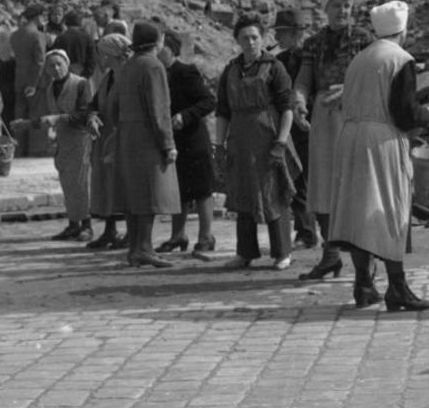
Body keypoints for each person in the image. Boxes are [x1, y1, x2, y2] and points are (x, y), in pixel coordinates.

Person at [328, 1, 429, 311]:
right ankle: (397, 287)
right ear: (402, 31)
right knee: (389, 209)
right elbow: (404, 113)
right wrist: (428, 116)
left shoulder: (360, 58)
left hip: (351, 138)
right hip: (381, 140)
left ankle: (363, 284)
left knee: (359, 211)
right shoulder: (400, 59)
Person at [294, 0, 375, 281]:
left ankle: (364, 262)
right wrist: (300, 101)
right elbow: (303, 80)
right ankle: (330, 255)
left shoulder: (364, 41)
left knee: (354, 189)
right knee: (324, 189)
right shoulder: (314, 44)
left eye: (347, 6)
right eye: (337, 5)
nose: (342, 11)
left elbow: (373, 79)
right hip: (324, 121)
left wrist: (349, 90)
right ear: (325, 8)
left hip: (354, 117)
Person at [215, 15, 297, 270]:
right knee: (243, 193)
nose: (250, 42)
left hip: (268, 136)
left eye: (254, 37)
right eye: (244, 38)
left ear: (263, 39)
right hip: (240, 138)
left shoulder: (275, 68)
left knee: (274, 192)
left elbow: (287, 108)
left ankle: (282, 252)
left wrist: (281, 142)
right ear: (237, 41)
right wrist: (220, 144)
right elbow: (222, 111)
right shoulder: (230, 71)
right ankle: (245, 252)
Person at [111, 21, 179, 269]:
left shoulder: (128, 66)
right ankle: (145, 248)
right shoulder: (153, 66)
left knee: (133, 193)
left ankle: (134, 248)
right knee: (150, 193)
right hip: (147, 135)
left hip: (127, 134)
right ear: (157, 41)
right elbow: (159, 108)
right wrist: (167, 143)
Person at [11, 50, 93, 242]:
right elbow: (47, 117)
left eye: (59, 64)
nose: (56, 68)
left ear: (67, 63)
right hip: (63, 140)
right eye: (51, 66)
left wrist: (58, 118)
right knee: (67, 182)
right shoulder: (50, 88)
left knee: (81, 183)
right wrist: (27, 124)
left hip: (80, 139)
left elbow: (84, 115)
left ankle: (87, 226)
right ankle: (73, 224)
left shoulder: (80, 84)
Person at [156, 32, 218, 258]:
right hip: (173, 141)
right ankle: (178, 235)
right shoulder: (158, 73)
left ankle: (206, 236)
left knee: (202, 190)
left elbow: (209, 101)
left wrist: (185, 115)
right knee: (177, 191)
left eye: (160, 47)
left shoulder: (186, 71)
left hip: (193, 139)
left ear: (170, 50)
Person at [272, 10, 318, 250]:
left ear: (294, 33)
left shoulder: (309, 57)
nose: (277, 37)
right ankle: (306, 229)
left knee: (305, 179)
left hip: (310, 123)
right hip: (290, 127)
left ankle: (309, 231)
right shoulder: (280, 59)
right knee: (298, 178)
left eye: (281, 33)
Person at [84, 34, 130, 250]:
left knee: (124, 185)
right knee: (106, 186)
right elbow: (94, 104)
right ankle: (110, 230)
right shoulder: (108, 77)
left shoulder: (129, 75)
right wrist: (92, 117)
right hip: (105, 137)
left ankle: (132, 233)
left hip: (124, 136)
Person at [10, 4, 47, 157]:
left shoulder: (15, 34)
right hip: (35, 80)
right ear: (37, 17)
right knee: (36, 113)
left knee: (19, 113)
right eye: (43, 16)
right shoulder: (38, 35)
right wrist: (33, 83)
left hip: (19, 77)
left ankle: (19, 149)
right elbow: (39, 61)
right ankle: (35, 150)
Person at [53, 11, 96, 79]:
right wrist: (87, 74)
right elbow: (92, 58)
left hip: (64, 71)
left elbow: (55, 57)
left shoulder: (61, 38)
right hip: (82, 72)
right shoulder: (87, 37)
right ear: (80, 22)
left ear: (66, 22)